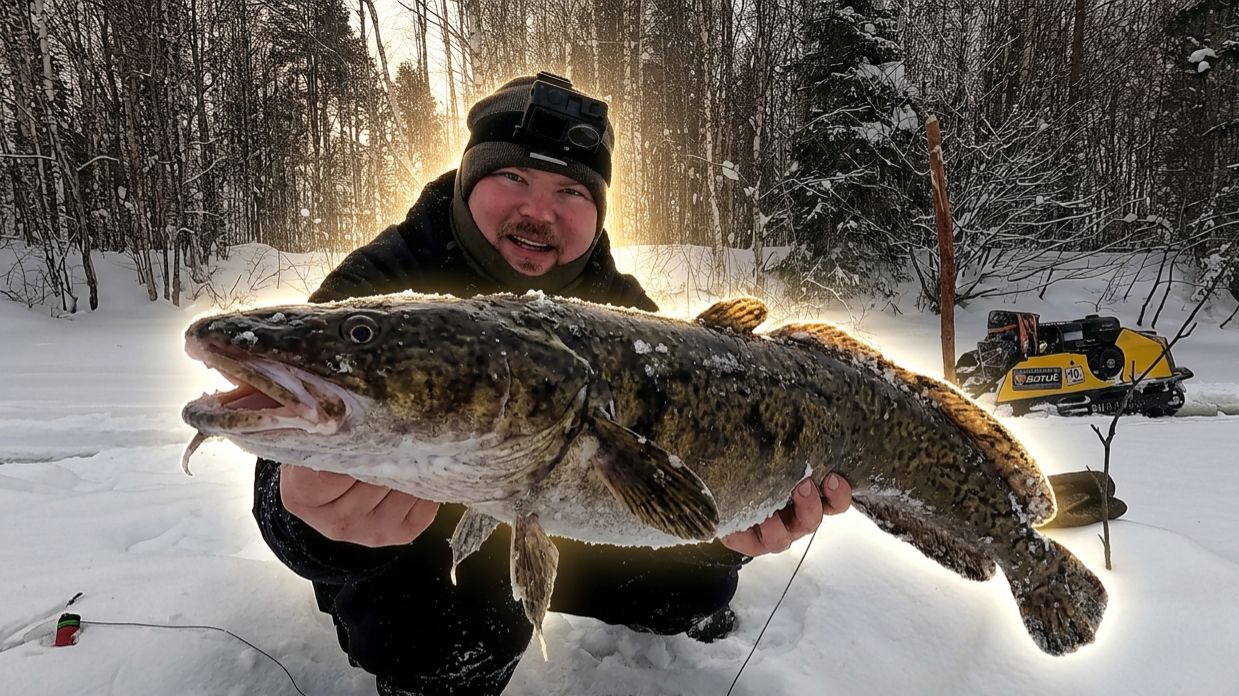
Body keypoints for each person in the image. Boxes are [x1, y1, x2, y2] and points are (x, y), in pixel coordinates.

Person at [252, 73, 853, 696]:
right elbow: (279, 470)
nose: (538, 212)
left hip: (567, 508)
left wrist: (729, 533)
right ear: (467, 180)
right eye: (513, 177)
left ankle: (689, 608)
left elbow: (675, 467)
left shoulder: (620, 309)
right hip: (417, 549)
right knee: (440, 626)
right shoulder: (380, 288)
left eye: (570, 189)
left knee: (698, 580)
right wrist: (310, 520)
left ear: (597, 211)